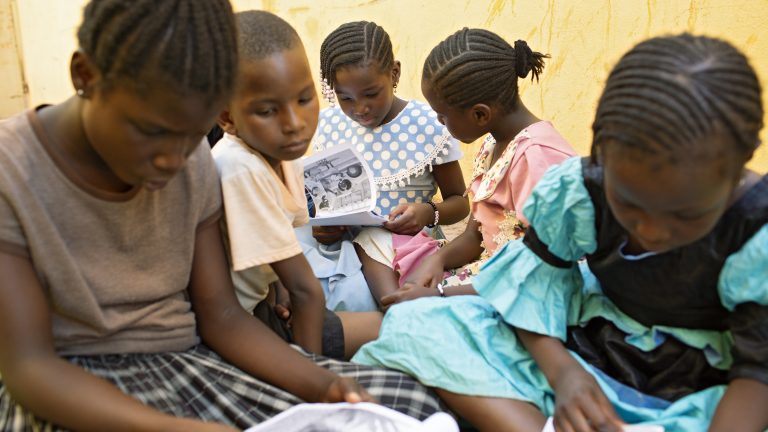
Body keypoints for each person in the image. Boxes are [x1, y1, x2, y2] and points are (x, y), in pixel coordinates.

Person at [0, 2, 444, 430]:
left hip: (189, 360)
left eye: (193, 135)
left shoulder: (192, 160)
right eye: (153, 132)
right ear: (86, 76)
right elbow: (28, 367)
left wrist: (323, 384)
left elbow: (222, 317)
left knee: (408, 406)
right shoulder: (11, 171)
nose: (173, 161)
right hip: (72, 389)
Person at [354, 33, 768, 432]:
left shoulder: (756, 233)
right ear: (602, 160)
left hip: (696, 381)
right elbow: (533, 290)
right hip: (585, 343)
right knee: (417, 325)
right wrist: (564, 375)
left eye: (684, 213)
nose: (649, 228)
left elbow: (756, 376)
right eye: (627, 204)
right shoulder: (580, 189)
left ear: (735, 170)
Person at [212, 11, 382, 360]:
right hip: (244, 328)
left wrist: (275, 286)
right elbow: (307, 291)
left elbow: (270, 256)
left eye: (304, 100)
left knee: (392, 326)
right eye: (267, 111)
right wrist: (313, 378)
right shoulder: (238, 167)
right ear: (228, 117)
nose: (294, 124)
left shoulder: (279, 151)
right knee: (394, 330)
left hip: (269, 305)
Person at [378, 29, 576, 308]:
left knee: (410, 322)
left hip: (526, 301)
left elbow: (543, 275)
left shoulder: (537, 160)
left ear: (480, 114)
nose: (438, 121)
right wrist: (437, 261)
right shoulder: (493, 146)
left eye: (443, 116)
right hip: (490, 280)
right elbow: (475, 234)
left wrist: (440, 295)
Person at [296, 21, 469, 312]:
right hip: (343, 245)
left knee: (365, 275)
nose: (359, 108)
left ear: (395, 73)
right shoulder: (329, 126)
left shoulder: (428, 124)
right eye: (345, 97)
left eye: (371, 93)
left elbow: (460, 203)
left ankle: (390, 317)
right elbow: (320, 198)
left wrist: (428, 212)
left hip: (403, 246)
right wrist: (324, 226)